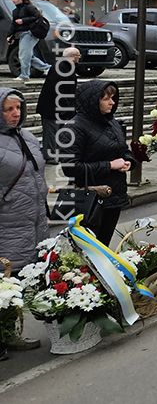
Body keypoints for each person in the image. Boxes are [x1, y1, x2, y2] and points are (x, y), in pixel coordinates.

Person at [0, 88, 45, 354]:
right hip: (6, 223)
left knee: (14, 284)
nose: (15, 114)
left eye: (18, 108)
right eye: (8, 109)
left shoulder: (27, 137)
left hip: (31, 221)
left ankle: (9, 334)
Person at [62, 80, 134, 246]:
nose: (112, 102)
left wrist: (129, 162)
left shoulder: (111, 122)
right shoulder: (74, 127)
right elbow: (70, 167)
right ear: (93, 100)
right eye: (106, 98)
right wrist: (110, 165)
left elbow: (122, 149)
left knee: (104, 246)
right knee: (88, 250)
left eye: (113, 97)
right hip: (90, 198)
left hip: (114, 195)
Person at [36, 46, 79, 163]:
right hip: (52, 107)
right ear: (73, 57)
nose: (79, 58)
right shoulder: (61, 68)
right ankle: (50, 156)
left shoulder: (64, 67)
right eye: (78, 55)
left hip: (57, 107)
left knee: (56, 131)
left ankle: (54, 154)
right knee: (51, 131)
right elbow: (58, 89)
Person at [6, 0, 50, 81]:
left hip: (31, 33)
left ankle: (24, 76)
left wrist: (23, 20)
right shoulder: (15, 11)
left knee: (23, 55)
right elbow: (14, 25)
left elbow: (37, 16)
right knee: (28, 56)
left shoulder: (29, 7)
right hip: (22, 34)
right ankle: (48, 68)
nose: (14, 0)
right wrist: (10, 36)